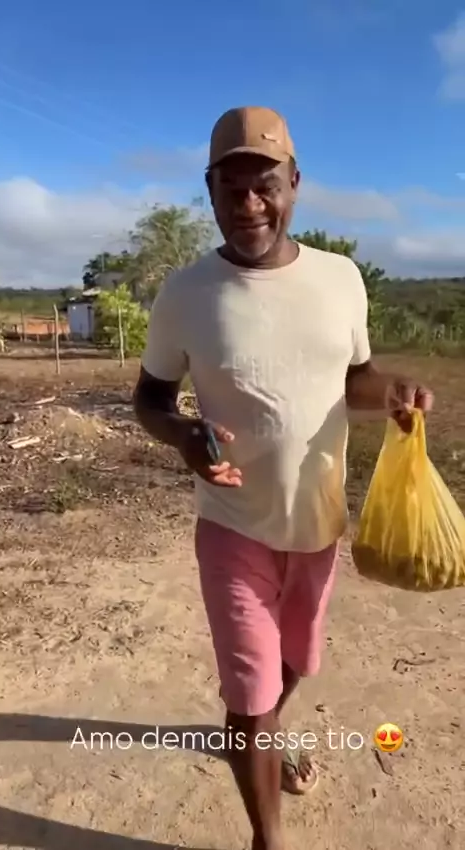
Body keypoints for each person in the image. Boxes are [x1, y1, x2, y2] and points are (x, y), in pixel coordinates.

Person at [134, 106, 434, 850]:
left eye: (264, 185)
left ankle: (264, 726)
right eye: (230, 187)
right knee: (250, 698)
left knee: (293, 664)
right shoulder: (185, 293)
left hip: (317, 525)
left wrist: (392, 393)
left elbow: (354, 379)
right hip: (232, 526)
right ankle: (267, 834)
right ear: (209, 189)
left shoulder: (341, 279)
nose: (249, 204)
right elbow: (150, 399)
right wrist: (184, 436)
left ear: (295, 182)